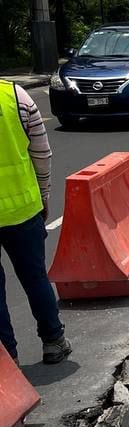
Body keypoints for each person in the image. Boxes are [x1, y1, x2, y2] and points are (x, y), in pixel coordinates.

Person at [0, 79, 71, 366]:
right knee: (35, 278)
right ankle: (53, 341)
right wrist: (43, 195)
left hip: (22, 209)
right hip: (23, 208)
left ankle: (8, 360)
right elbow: (41, 153)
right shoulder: (15, 96)